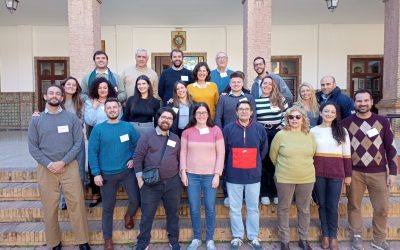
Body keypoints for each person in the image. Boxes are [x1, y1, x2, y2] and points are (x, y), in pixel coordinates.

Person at [28, 85, 91, 250]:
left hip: (69, 166)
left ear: (62, 98)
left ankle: (83, 240)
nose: (54, 96)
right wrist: (49, 164)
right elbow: (33, 147)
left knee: (76, 204)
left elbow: (78, 143)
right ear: (45, 96)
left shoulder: (71, 119)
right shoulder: (36, 120)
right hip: (46, 168)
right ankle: (54, 242)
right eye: (51, 93)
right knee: (50, 207)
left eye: (58, 94)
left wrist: (63, 162)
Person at [342, 89, 398, 250]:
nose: (363, 104)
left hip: (379, 172)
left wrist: (393, 172)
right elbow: (343, 150)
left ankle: (379, 239)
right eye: (359, 101)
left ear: (372, 102)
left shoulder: (383, 122)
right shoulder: (346, 123)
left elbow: (391, 148)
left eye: (366, 100)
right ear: (354, 103)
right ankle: (356, 235)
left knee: (382, 208)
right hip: (355, 172)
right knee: (354, 205)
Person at [88, 98, 140, 250]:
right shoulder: (98, 129)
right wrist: (96, 173)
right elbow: (92, 152)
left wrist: (133, 158)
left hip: (126, 172)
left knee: (136, 200)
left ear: (119, 109)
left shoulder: (128, 127)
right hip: (106, 175)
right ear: (105, 110)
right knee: (108, 208)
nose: (112, 110)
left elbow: (138, 145)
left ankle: (129, 215)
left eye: (114, 107)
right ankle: (108, 240)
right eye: (109, 107)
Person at [133, 107, 182, 250]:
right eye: (163, 117)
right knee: (147, 215)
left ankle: (174, 240)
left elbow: (179, 159)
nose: (166, 120)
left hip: (172, 183)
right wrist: (140, 180)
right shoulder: (147, 137)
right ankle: (143, 242)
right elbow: (137, 158)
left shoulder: (175, 138)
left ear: (172, 122)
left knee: (173, 214)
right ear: (158, 119)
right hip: (150, 184)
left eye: (169, 118)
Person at [269, 106, 317, 250]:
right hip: (284, 178)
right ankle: (285, 240)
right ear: (287, 119)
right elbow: (273, 156)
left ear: (303, 119)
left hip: (306, 177)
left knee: (304, 209)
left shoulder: (310, 135)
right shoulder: (280, 135)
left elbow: (313, 153)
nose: (294, 119)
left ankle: (303, 239)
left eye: (298, 117)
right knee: (284, 208)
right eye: (291, 117)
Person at [223, 101, 268, 250]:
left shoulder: (260, 129)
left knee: (253, 208)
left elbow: (263, 150)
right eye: (241, 109)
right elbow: (224, 151)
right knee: (235, 208)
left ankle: (253, 237)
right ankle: (237, 236)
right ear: (236, 112)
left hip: (253, 176)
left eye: (246, 109)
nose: (243, 111)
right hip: (233, 176)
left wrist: (253, 162)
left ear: (251, 112)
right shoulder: (228, 129)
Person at [180, 102, 225, 250]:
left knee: (210, 207)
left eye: (204, 112)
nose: (201, 115)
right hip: (192, 175)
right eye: (198, 113)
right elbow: (183, 153)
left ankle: (210, 239)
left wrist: (217, 174)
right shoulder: (187, 132)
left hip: (210, 175)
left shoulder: (216, 130)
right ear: (194, 114)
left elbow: (221, 154)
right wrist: (183, 172)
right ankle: (197, 238)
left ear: (208, 114)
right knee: (194, 207)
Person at [310, 102, 352, 250]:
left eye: (332, 112)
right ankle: (325, 234)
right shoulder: (313, 131)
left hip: (336, 173)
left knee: (332, 206)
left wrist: (348, 175)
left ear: (336, 115)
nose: (329, 114)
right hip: (318, 173)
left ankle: (333, 236)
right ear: (321, 113)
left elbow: (347, 155)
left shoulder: (342, 131)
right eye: (326, 111)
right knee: (322, 204)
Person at [214, 71, 256, 207]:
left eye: (238, 82)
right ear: (230, 84)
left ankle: (245, 194)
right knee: (229, 165)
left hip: (246, 135)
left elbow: (253, 117)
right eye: (233, 82)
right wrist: (220, 134)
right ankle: (227, 194)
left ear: (242, 83)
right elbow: (217, 117)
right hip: (229, 136)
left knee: (246, 164)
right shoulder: (223, 98)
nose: (236, 84)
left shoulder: (249, 97)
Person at [84, 77, 119, 207]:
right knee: (93, 162)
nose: (102, 90)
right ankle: (96, 194)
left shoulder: (114, 101)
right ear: (95, 89)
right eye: (100, 88)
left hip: (112, 135)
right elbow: (89, 121)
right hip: (97, 136)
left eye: (105, 87)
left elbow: (118, 117)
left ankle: (110, 190)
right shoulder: (90, 102)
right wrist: (93, 107)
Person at [255, 75, 289, 206]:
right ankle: (264, 193)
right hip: (262, 133)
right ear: (261, 85)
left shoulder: (280, 99)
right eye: (265, 83)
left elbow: (287, 115)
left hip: (277, 133)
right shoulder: (256, 101)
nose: (267, 85)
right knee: (263, 163)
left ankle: (275, 193)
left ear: (273, 86)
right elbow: (254, 118)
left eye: (270, 84)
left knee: (276, 163)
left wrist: (280, 127)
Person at [59, 77, 86, 210]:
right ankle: (65, 200)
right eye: (68, 84)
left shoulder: (80, 103)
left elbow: (82, 121)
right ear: (63, 86)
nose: (71, 86)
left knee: (80, 171)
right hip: (62, 140)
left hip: (78, 139)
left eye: (74, 85)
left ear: (77, 88)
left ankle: (78, 199)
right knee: (65, 170)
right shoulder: (58, 102)